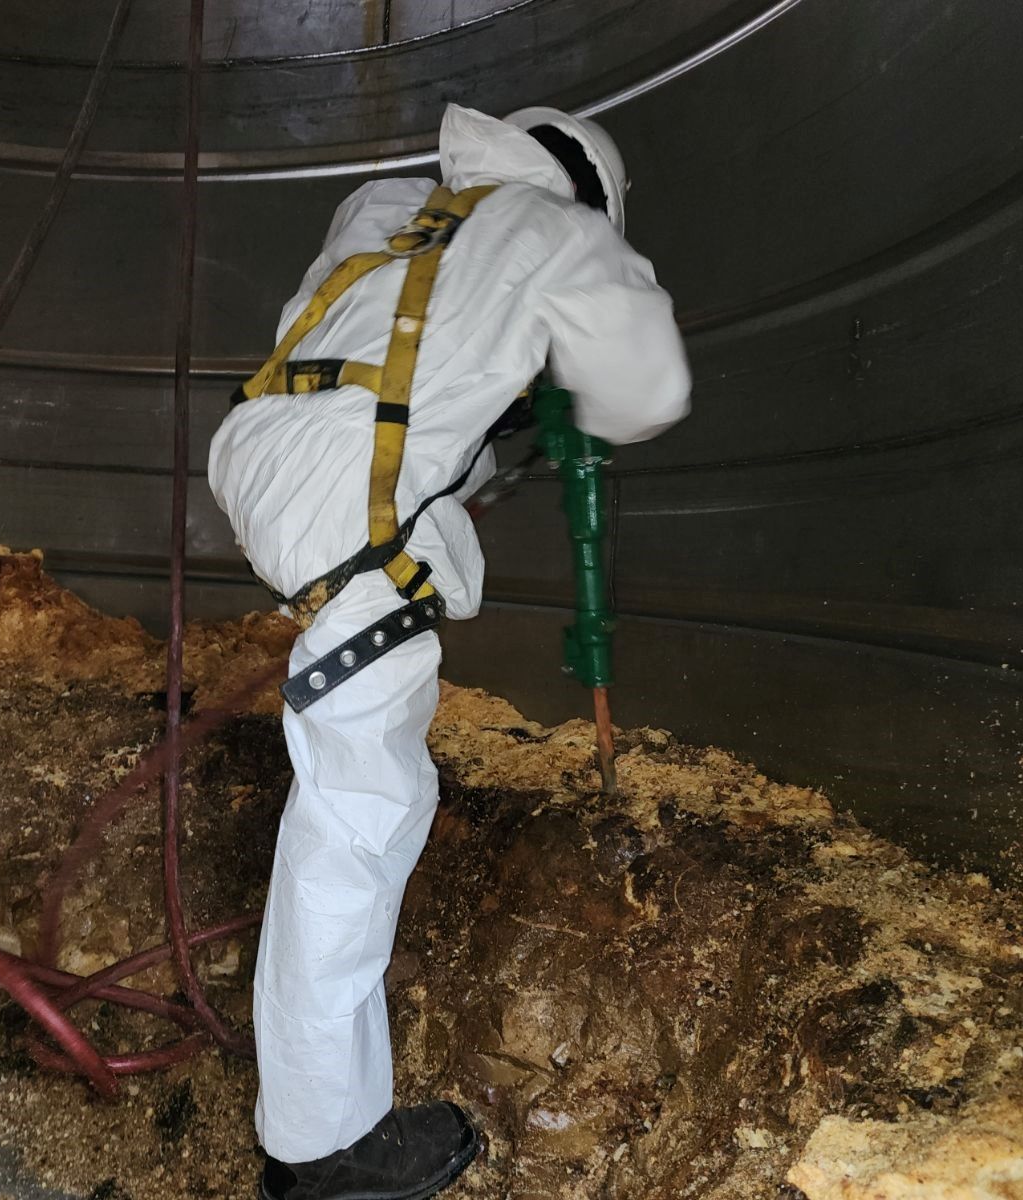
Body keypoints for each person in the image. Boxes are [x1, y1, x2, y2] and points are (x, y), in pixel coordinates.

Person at [208, 102, 691, 1200]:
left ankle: (316, 1119)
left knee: (356, 783)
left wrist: (491, 415)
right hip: (345, 502)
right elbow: (646, 392)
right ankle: (322, 1151)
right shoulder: (558, 233)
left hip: (264, 457)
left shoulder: (390, 208)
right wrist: (571, 380)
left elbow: (367, 370)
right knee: (361, 814)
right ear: (591, 195)